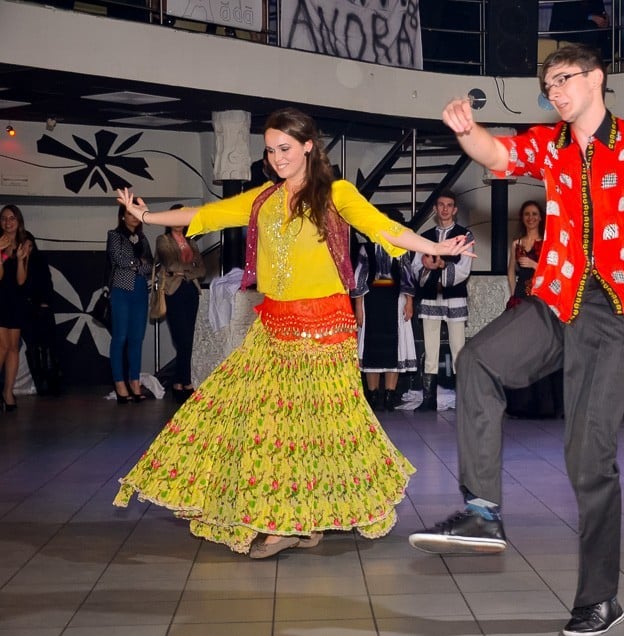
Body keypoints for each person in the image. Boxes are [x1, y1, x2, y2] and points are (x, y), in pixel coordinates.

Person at [408, 44, 624, 636]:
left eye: (563, 79)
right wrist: (467, 131)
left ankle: (600, 598)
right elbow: (499, 153)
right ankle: (482, 511)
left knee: (588, 457)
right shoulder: (550, 145)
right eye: (547, 85)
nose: (554, 91)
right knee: (477, 360)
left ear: (596, 78)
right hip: (557, 299)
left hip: (616, 314)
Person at [113, 107, 474, 559]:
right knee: (258, 421)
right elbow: (207, 214)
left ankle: (290, 522)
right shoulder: (264, 198)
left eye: (285, 148)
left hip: (323, 330)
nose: (277, 157)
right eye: (270, 150)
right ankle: (300, 519)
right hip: (274, 327)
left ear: (307, 146)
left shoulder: (335, 193)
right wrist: (146, 217)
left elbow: (385, 229)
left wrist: (435, 245)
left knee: (308, 430)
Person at [411, 190, 474, 412]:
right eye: (441, 205)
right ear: (435, 209)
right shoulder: (425, 236)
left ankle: (463, 400)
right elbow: (416, 266)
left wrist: (443, 266)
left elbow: (464, 269)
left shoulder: (464, 236)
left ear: (454, 209)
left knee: (458, 348)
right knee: (430, 348)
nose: (445, 209)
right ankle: (429, 400)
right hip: (430, 296)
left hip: (454, 296)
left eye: (449, 205)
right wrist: (426, 267)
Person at [351, 212, 418, 412]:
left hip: (395, 301)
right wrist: (358, 307)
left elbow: (407, 276)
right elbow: (359, 278)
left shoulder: (400, 249)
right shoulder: (366, 248)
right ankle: (372, 394)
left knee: (394, 347)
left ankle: (390, 394)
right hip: (372, 301)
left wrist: (409, 302)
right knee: (372, 346)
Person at [504, 200, 562, 418]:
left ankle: (546, 404)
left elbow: (555, 271)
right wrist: (513, 292)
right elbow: (511, 270)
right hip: (521, 299)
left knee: (542, 349)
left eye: (535, 214)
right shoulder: (516, 243)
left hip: (541, 297)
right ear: (522, 217)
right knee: (521, 350)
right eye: (527, 214)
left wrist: (535, 265)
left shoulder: (547, 243)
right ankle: (521, 404)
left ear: (540, 218)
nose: (531, 218)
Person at [154, 209, 206, 400]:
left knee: (189, 338)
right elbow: (170, 264)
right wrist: (187, 268)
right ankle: (185, 381)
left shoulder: (192, 242)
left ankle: (179, 382)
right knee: (181, 337)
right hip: (173, 291)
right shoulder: (163, 240)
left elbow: (201, 269)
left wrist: (185, 272)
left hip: (190, 290)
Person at [107, 203, 154, 404]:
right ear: (122, 216)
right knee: (120, 337)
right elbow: (118, 259)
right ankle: (119, 382)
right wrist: (139, 263)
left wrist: (137, 264)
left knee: (137, 338)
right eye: (129, 213)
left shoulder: (143, 238)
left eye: (136, 213)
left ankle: (135, 381)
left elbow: (151, 264)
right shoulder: (115, 235)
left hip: (140, 289)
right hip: (121, 289)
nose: (134, 216)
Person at [22, 232, 62, 396]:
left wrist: (44, 303)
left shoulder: (39, 261)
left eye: (30, 246)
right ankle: (40, 382)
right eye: (24, 246)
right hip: (25, 310)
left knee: (47, 346)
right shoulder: (15, 262)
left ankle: (51, 382)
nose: (28, 249)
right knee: (32, 348)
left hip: (41, 309)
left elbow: (47, 284)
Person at [0, 204, 31, 411]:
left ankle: (8, 392)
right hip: (0, 298)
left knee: (13, 347)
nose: (8, 222)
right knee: (2, 347)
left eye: (12, 218)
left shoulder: (23, 243)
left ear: (18, 221)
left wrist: (20, 260)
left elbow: (21, 280)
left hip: (15, 299)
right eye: (4, 218)